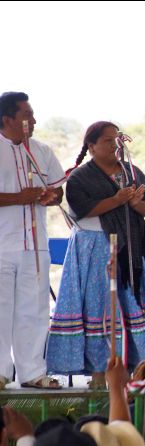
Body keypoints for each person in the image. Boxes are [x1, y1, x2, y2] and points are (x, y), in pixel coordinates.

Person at [47, 121, 145, 386]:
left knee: (131, 305)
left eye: (117, 139)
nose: (114, 145)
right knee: (98, 306)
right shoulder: (79, 177)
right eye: (107, 140)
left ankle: (132, 370)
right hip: (94, 248)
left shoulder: (131, 171)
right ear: (91, 146)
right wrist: (117, 201)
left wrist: (135, 203)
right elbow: (81, 209)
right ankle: (98, 373)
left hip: (130, 247)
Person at [0, 91, 65, 390]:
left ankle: (32, 372)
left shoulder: (41, 150)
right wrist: (18, 198)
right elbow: (18, 197)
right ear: (7, 120)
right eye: (27, 115)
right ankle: (1, 373)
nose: (34, 120)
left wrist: (52, 197)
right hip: (3, 244)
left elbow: (57, 190)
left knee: (35, 309)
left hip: (35, 245)